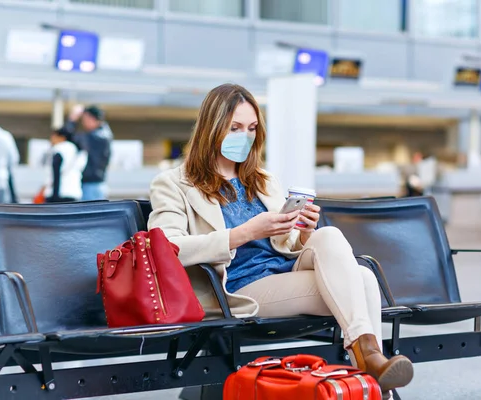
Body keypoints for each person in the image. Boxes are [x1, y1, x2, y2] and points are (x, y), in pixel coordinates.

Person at [148, 84, 414, 395]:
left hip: (283, 272)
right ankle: (371, 376)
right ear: (211, 127)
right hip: (237, 288)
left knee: (334, 241)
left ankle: (368, 360)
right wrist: (246, 232)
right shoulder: (173, 183)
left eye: (251, 129)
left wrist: (302, 230)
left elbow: (287, 247)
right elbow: (167, 248)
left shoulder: (262, 180)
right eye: (234, 127)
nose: (244, 137)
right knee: (362, 280)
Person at [64, 105, 112, 201]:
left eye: (84, 119)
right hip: (93, 184)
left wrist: (72, 119)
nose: (83, 122)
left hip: (92, 185)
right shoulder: (102, 134)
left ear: (91, 119)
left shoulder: (97, 136)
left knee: (91, 215)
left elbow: (68, 137)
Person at [43, 127, 88, 203]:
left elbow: (56, 174)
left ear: (62, 138)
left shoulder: (59, 149)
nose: (51, 139)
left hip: (58, 195)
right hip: (73, 193)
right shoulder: (78, 150)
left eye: (54, 136)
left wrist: (54, 198)